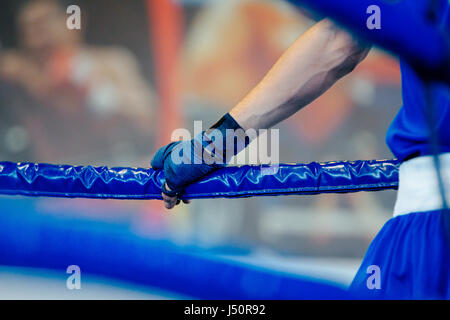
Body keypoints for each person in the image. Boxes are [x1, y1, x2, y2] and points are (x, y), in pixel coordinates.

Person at [151, 4, 450, 300]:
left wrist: (216, 144)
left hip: (432, 218)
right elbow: (345, 39)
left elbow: (341, 43)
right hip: (427, 210)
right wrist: (216, 144)